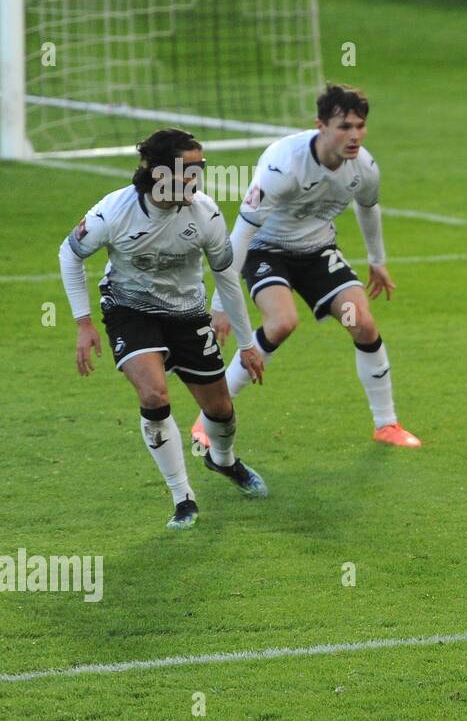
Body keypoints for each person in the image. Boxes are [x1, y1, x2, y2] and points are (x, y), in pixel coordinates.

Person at [59, 129, 268, 530]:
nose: (196, 178)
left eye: (200, 168)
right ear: (158, 172)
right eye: (188, 169)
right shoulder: (114, 212)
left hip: (188, 314)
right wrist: (83, 322)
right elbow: (70, 253)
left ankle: (222, 460)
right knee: (154, 395)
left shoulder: (205, 213)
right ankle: (182, 498)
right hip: (129, 309)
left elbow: (225, 275)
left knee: (219, 410)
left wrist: (246, 344)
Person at [194, 83, 421, 450]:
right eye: (344, 126)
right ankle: (208, 419)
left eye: (360, 126)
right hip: (266, 251)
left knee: (361, 323)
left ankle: (386, 424)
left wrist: (377, 261)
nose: (354, 136)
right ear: (321, 125)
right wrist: (220, 305)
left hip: (317, 251)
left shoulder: (364, 168)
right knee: (282, 323)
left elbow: (368, 207)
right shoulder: (283, 165)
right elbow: (241, 233)